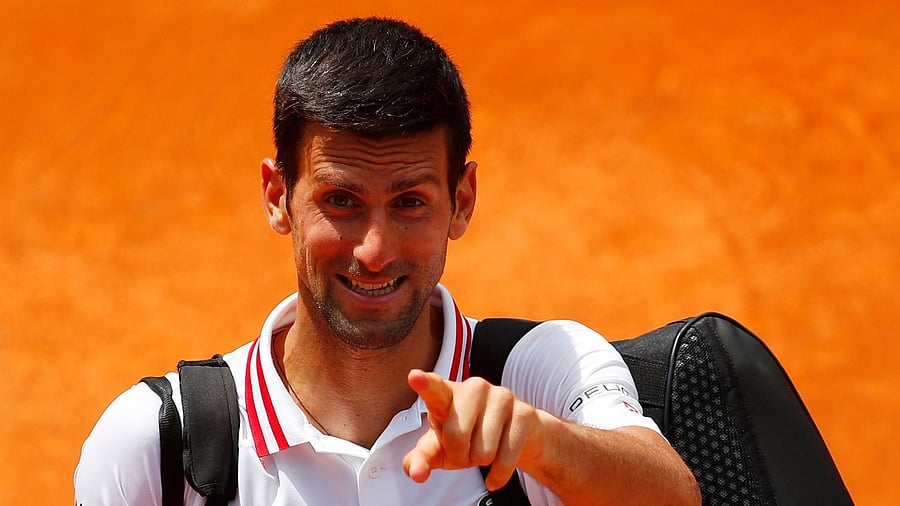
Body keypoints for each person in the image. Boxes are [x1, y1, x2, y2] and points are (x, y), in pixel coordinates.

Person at [75, 17, 701, 505]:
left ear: (462, 202)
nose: (374, 251)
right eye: (341, 200)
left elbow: (674, 497)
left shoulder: (545, 373)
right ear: (277, 197)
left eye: (409, 202)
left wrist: (543, 445)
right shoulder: (155, 444)